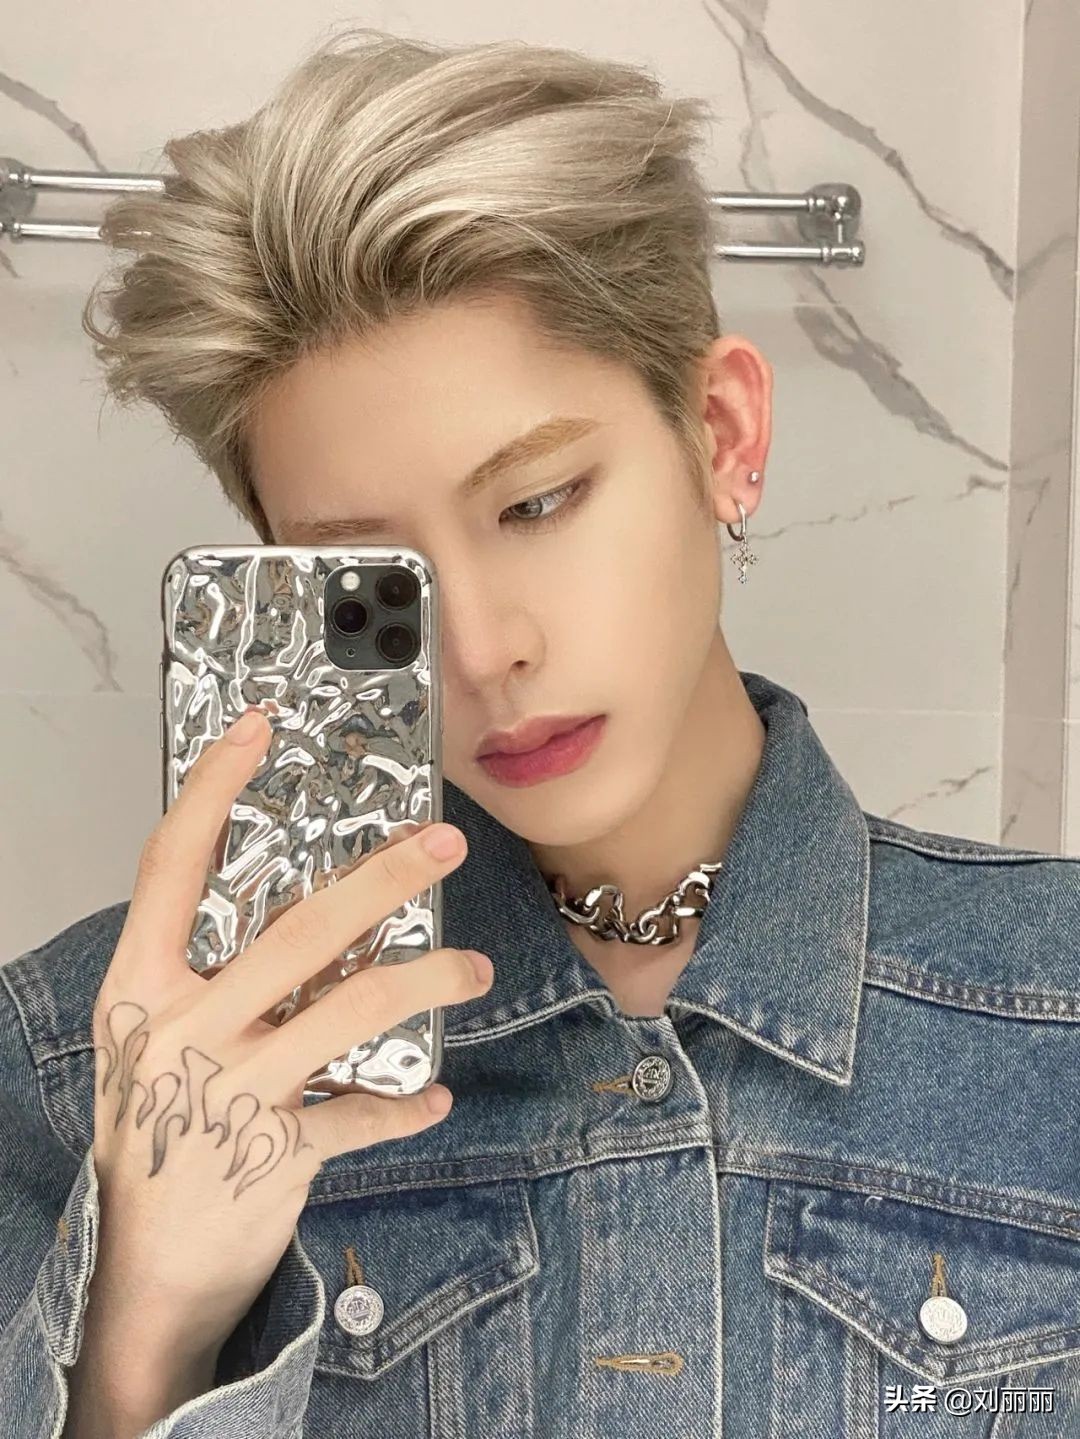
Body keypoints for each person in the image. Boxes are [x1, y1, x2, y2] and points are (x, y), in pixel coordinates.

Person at [3, 23, 1080, 1439]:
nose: (479, 651)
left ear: (723, 435)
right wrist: (148, 1324)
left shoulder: (1054, 1009)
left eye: (537, 503)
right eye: (379, 579)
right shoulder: (83, 1071)